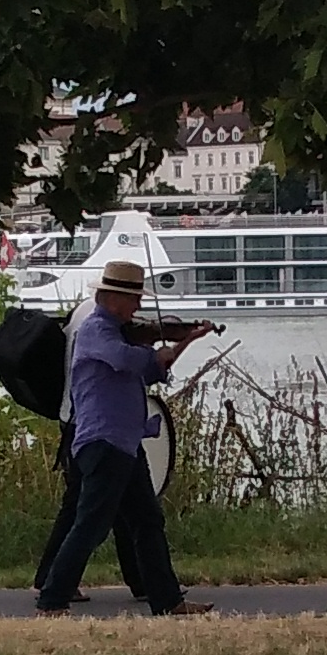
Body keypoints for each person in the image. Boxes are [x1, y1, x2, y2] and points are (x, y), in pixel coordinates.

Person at [35, 257, 205, 615]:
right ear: (113, 298)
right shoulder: (97, 330)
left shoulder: (119, 334)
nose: (139, 305)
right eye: (134, 298)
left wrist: (185, 341)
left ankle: (168, 601)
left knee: (147, 521)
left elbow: (152, 370)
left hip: (124, 443)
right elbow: (131, 361)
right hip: (103, 441)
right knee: (91, 525)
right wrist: (155, 352)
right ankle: (52, 598)